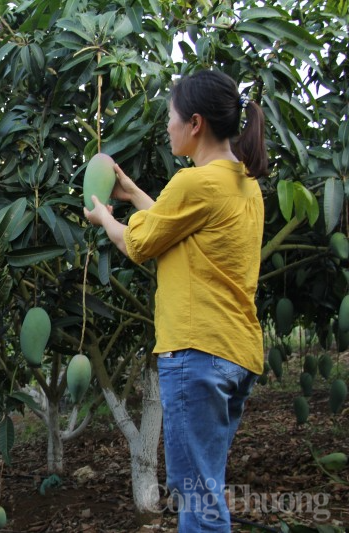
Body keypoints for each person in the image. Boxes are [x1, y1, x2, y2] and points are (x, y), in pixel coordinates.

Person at [84, 70, 268, 532]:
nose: (167, 125)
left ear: (195, 123)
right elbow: (180, 228)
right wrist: (131, 194)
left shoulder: (194, 183)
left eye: (171, 116)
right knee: (206, 487)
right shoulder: (244, 184)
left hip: (196, 352)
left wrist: (105, 218)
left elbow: (139, 245)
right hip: (235, 354)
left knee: (198, 502)